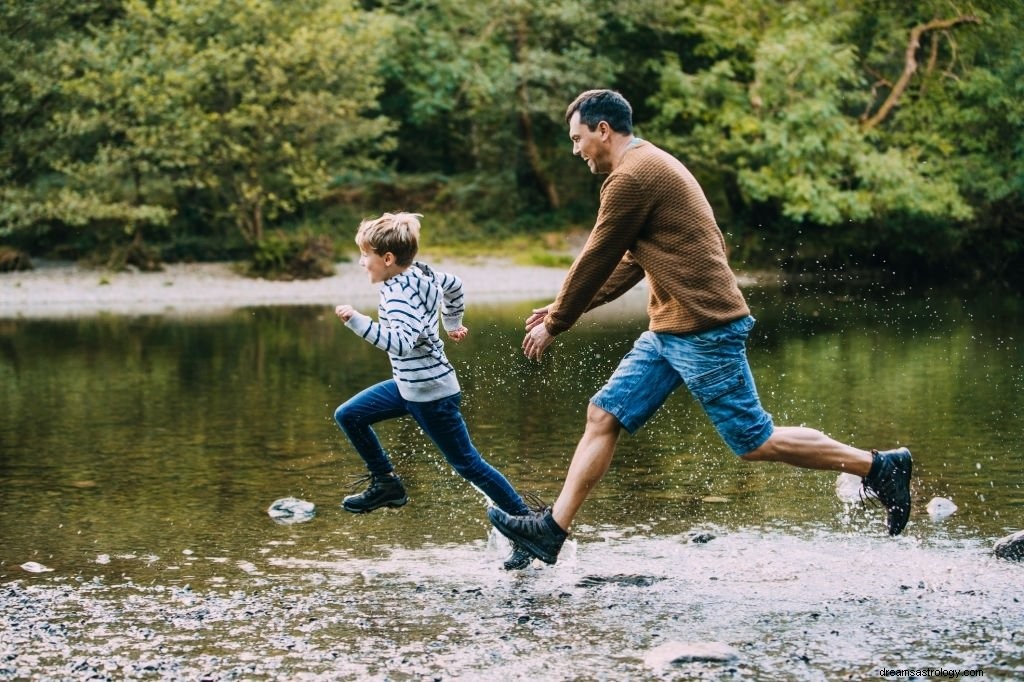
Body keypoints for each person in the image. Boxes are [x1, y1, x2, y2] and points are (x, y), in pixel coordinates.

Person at [487, 89, 913, 565]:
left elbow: (597, 254)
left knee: (755, 441)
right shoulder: (646, 166)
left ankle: (878, 467)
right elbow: (628, 260)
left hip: (703, 327)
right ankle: (551, 532)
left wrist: (559, 321)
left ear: (602, 130)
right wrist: (564, 308)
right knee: (603, 415)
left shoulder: (632, 177)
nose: (576, 150)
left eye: (577, 138)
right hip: (671, 328)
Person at [334, 211, 532, 570]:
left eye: (366, 255)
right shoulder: (421, 272)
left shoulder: (396, 296)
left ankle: (527, 527)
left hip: (432, 394)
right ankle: (386, 484)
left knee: (468, 464)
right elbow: (454, 284)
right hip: (410, 387)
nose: (362, 262)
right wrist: (452, 322)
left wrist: (356, 321)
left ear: (388, 259)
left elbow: (400, 343)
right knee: (349, 414)